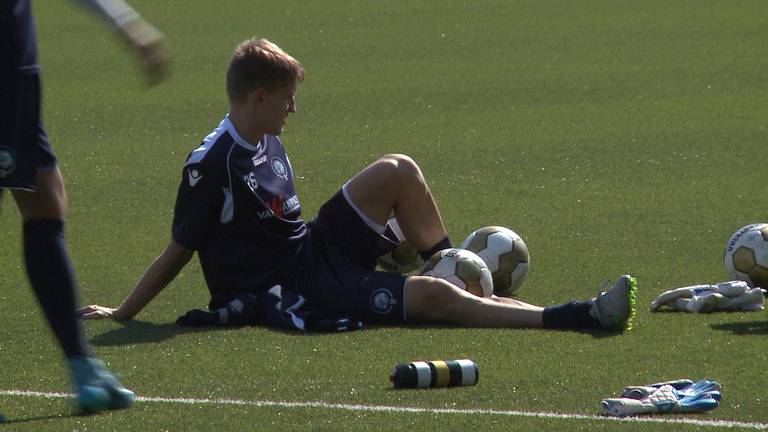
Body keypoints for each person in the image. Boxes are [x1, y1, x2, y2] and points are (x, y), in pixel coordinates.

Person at [80, 38, 636, 334]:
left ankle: (449, 266)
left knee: (399, 169)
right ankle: (576, 314)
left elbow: (281, 218)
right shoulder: (212, 166)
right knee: (434, 300)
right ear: (257, 98)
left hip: (309, 248)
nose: (293, 108)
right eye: (286, 98)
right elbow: (179, 248)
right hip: (290, 289)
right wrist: (123, 313)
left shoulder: (264, 136)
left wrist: (381, 239)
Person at [1, 0, 168, 413]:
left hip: (15, 69)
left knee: (46, 201)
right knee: (43, 201)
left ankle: (82, 366)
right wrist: (126, 23)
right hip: (7, 67)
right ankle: (82, 367)